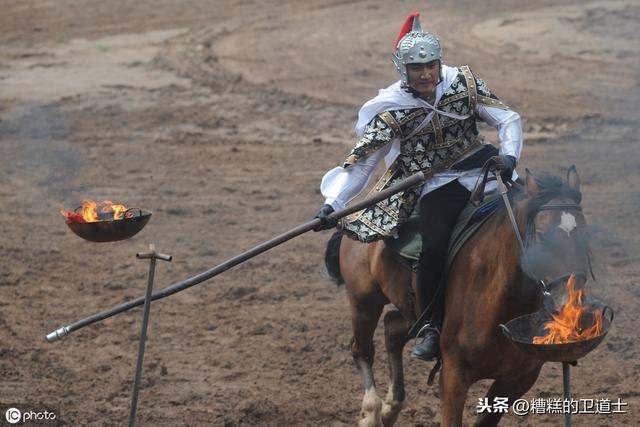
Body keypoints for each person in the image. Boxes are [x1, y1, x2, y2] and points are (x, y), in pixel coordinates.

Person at [313, 11, 522, 361]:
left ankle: (551, 300)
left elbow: (507, 118)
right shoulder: (390, 107)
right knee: (435, 246)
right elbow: (363, 163)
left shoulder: (463, 83)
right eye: (417, 68)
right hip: (436, 184)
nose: (426, 74)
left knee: (537, 217)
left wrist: (510, 157)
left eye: (431, 65)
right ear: (403, 69)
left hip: (484, 170)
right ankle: (430, 325)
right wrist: (334, 204)